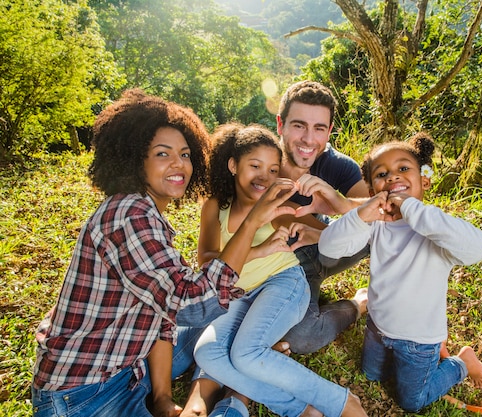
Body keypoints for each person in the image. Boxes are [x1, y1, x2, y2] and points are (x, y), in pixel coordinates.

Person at [30, 90, 298, 417]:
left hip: (128, 368)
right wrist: (254, 220)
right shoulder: (128, 215)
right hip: (82, 395)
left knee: (221, 324)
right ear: (133, 158)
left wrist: (161, 398)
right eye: (162, 154)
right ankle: (238, 397)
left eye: (185, 154)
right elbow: (191, 303)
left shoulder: (149, 213)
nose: (179, 164)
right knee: (211, 318)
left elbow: (163, 313)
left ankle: (243, 362)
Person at [190, 122, 367, 417]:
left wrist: (335, 207)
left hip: (283, 284)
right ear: (233, 165)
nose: (264, 177)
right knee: (206, 352)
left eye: (274, 170)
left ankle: (342, 402)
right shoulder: (215, 205)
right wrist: (259, 250)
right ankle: (302, 409)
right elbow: (208, 261)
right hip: (239, 294)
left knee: (245, 353)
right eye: (255, 165)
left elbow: (333, 235)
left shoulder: (278, 205)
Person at [318, 132, 482, 412]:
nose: (393, 176)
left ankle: (461, 363)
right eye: (382, 173)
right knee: (371, 375)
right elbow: (329, 247)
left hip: (418, 342)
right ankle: (397, 359)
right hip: (377, 328)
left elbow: (478, 248)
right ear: (373, 191)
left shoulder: (436, 230)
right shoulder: (377, 224)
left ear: (424, 181)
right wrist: (363, 213)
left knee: (412, 401)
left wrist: (411, 208)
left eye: (403, 168)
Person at [275, 80, 371, 354]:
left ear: (329, 131)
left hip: (328, 248)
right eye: (299, 125)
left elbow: (382, 208)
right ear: (281, 125)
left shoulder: (337, 164)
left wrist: (340, 203)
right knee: (300, 339)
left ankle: (384, 307)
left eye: (319, 128)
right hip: (292, 264)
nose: (308, 139)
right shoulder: (260, 160)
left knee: (382, 230)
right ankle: (355, 306)